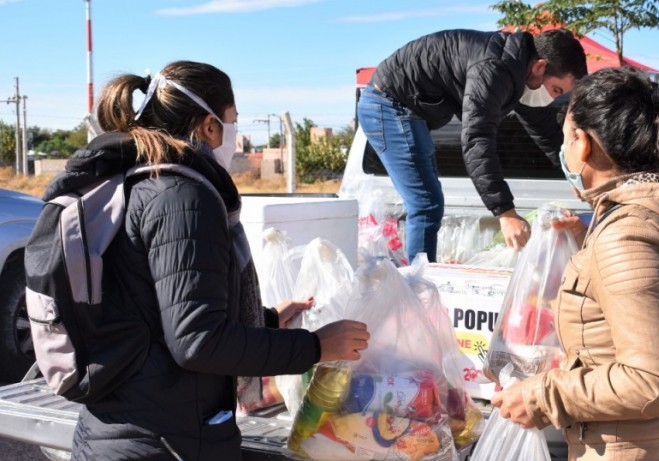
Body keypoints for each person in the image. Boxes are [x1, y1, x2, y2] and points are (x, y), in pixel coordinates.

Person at [49, 60, 370, 460]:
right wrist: (315, 346)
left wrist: (266, 319)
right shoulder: (183, 197)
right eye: (234, 121)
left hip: (126, 425)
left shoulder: (135, 180)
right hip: (163, 440)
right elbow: (197, 341)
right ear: (209, 125)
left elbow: (151, 310)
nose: (236, 135)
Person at [489, 66, 659, 460]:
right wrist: (585, 239)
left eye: (566, 139)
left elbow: (655, 380)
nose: (563, 152)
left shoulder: (628, 236)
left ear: (585, 145)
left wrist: (540, 396)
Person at [357, 28, 588, 263]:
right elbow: (477, 137)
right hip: (387, 104)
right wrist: (505, 212)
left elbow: (547, 132)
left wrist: (579, 177)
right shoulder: (495, 68)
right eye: (556, 90)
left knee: (428, 203)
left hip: (409, 109)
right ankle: (419, 290)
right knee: (426, 204)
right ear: (539, 67)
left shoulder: (519, 70)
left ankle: (421, 282)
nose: (551, 98)